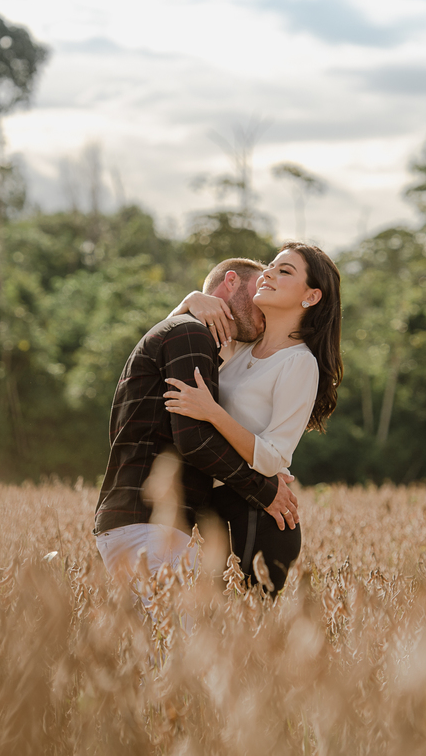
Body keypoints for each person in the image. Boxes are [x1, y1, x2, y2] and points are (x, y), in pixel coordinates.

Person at [92, 258, 300, 590]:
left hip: (139, 525)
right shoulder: (190, 333)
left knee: (158, 641)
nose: (266, 310)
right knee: (179, 640)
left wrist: (263, 464)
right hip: (147, 527)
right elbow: (194, 440)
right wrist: (265, 491)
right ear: (231, 281)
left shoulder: (183, 332)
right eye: (259, 292)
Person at [163, 242, 342, 593]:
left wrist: (211, 412)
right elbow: (167, 348)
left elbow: (275, 455)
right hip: (212, 510)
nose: (269, 274)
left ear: (311, 297)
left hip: (257, 514)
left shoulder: (299, 362)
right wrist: (188, 301)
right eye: (271, 266)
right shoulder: (238, 346)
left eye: (284, 271)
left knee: (241, 642)